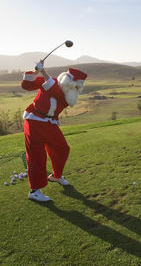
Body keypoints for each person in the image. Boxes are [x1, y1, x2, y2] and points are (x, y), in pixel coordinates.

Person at [21, 60, 87, 202]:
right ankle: (34, 191)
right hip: (34, 121)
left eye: (77, 86)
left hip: (50, 123)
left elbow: (55, 92)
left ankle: (56, 176)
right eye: (73, 84)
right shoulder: (52, 81)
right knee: (36, 155)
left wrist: (44, 72)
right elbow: (26, 85)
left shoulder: (69, 95)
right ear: (66, 79)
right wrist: (36, 72)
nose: (75, 88)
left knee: (62, 148)